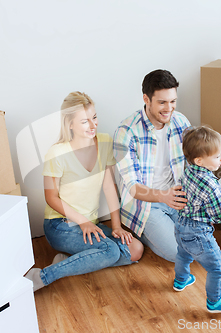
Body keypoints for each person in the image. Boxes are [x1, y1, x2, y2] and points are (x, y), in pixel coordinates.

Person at [25, 91, 143, 292]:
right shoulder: (57, 152)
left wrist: (116, 226)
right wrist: (83, 222)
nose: (93, 125)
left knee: (135, 249)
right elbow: (51, 197)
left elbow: (109, 187)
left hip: (91, 224)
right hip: (61, 225)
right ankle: (42, 276)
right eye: (84, 121)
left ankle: (71, 259)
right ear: (70, 124)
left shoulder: (104, 142)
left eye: (94, 117)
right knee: (110, 251)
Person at [113, 69, 191, 262]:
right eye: (162, 102)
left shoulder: (181, 122)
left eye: (173, 101)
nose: (169, 108)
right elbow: (132, 188)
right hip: (147, 204)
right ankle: (141, 229)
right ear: (146, 99)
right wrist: (163, 196)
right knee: (181, 254)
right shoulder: (126, 132)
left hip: (177, 197)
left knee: (202, 242)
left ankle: (158, 230)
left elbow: (193, 164)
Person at [173, 126, 221, 313]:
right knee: (217, 268)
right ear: (199, 160)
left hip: (181, 224)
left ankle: (181, 280)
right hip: (198, 232)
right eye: (217, 156)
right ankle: (214, 302)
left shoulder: (189, 169)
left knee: (183, 254)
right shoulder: (211, 185)